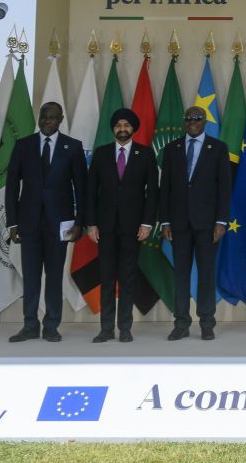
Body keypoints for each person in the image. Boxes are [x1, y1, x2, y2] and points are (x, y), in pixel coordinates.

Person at [4, 101, 88, 342]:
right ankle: (30, 325)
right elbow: (12, 186)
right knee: (30, 277)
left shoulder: (73, 147)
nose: (47, 121)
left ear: (61, 119)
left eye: (53, 117)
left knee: (54, 277)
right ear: (39, 118)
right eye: (44, 116)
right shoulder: (23, 145)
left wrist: (79, 223)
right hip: (28, 223)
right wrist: (12, 223)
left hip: (59, 225)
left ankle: (51, 325)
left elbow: (81, 188)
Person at [84, 108, 158, 343]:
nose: (122, 129)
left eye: (126, 125)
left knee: (128, 278)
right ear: (113, 129)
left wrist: (147, 223)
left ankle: (125, 328)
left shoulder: (145, 154)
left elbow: (153, 193)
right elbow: (90, 191)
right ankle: (106, 329)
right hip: (105, 227)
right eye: (118, 125)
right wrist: (91, 223)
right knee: (106, 278)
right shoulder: (101, 153)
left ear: (133, 128)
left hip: (133, 228)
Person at [160, 107, 232, 341]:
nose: (192, 121)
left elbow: (224, 188)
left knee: (206, 274)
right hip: (178, 223)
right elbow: (165, 188)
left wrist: (221, 221)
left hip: (208, 224)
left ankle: (207, 323)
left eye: (197, 118)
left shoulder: (218, 148)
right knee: (180, 275)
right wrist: (165, 220)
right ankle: (181, 323)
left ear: (205, 121)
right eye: (189, 118)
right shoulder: (171, 149)